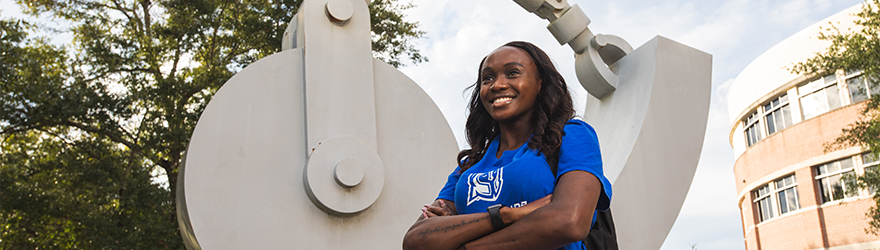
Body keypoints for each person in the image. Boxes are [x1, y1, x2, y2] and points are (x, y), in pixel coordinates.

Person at [402, 41, 613, 250]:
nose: (497, 85)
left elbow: (569, 222)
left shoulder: (571, 135)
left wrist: (462, 241)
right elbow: (415, 240)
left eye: (512, 73)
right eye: (487, 78)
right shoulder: (470, 164)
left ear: (540, 83)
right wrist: (506, 215)